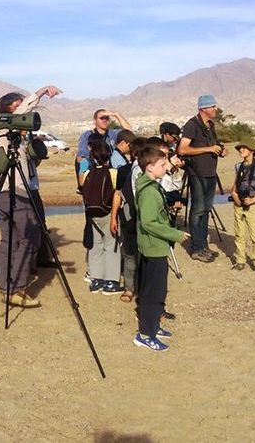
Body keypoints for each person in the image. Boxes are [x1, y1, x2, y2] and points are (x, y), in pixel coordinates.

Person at [0, 86, 61, 307]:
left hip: (13, 192)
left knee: (9, 241)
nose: (25, 119)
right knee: (29, 239)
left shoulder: (15, 138)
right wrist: (41, 92)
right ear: (8, 113)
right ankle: (17, 288)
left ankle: (6, 286)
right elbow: (22, 109)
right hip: (16, 193)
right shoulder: (2, 128)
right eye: (19, 113)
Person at [134, 147, 190, 352]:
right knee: (152, 292)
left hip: (156, 247)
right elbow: (149, 223)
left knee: (158, 290)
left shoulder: (152, 186)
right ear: (150, 167)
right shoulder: (148, 191)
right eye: (162, 165)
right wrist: (175, 234)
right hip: (153, 247)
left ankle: (154, 326)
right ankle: (145, 334)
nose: (166, 167)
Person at [177, 94, 227, 263]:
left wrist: (221, 150)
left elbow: (215, 145)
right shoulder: (192, 125)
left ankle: (203, 246)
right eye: (212, 106)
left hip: (211, 173)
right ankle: (196, 248)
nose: (215, 109)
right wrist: (208, 149)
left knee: (206, 210)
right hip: (197, 174)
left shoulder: (210, 125)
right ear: (203, 109)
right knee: (197, 210)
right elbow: (182, 150)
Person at [80, 141, 122, 295]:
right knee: (111, 246)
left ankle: (95, 280)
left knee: (95, 246)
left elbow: (82, 189)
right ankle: (111, 282)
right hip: (108, 213)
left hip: (92, 215)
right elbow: (117, 194)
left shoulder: (87, 174)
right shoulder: (113, 173)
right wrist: (114, 217)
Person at [110, 136, 147, 303]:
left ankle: (143, 288)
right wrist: (113, 218)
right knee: (130, 254)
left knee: (144, 255)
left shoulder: (150, 171)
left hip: (146, 221)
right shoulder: (124, 171)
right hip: (128, 220)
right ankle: (129, 288)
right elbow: (117, 194)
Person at [229, 138, 255, 275]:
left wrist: (254, 199)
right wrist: (234, 195)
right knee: (239, 234)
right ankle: (240, 261)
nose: (241, 150)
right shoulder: (237, 166)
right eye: (240, 148)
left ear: (252, 151)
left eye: (244, 148)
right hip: (239, 205)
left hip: (253, 206)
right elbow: (234, 186)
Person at [74, 109, 132, 188]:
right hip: (93, 176)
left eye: (107, 118)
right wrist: (85, 175)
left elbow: (129, 133)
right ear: (95, 121)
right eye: (101, 118)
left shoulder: (112, 134)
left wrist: (117, 114)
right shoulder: (87, 136)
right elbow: (81, 157)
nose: (104, 120)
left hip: (109, 174)